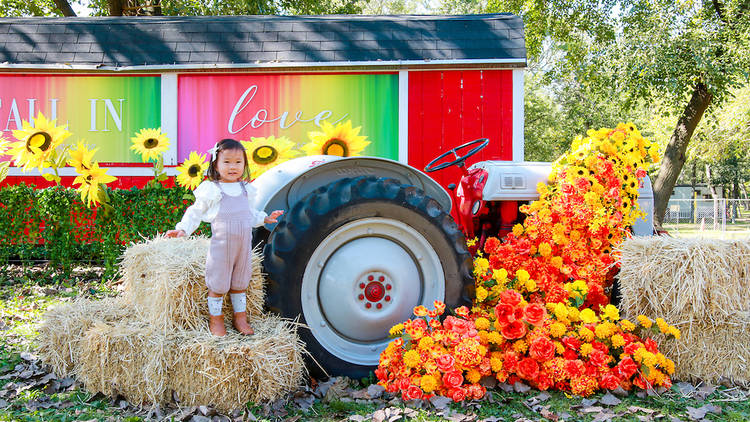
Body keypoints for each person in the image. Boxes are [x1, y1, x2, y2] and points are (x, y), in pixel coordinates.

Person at [166, 138, 283, 336]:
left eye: (238, 162)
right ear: (216, 164)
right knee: (218, 284)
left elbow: (250, 214)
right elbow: (195, 212)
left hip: (242, 248)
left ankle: (240, 318)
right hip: (221, 248)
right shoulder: (213, 190)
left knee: (240, 283)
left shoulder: (246, 189)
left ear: (244, 164)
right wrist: (183, 229)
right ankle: (216, 320)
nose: (232, 167)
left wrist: (265, 219)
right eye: (226, 162)